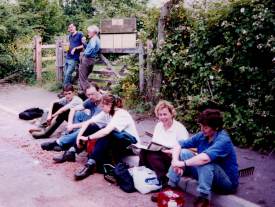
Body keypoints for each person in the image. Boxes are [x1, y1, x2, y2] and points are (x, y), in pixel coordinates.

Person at [164, 109, 239, 206]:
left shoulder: (224, 140)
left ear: (216, 127)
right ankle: (170, 187)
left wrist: (182, 163)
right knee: (183, 153)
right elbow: (178, 145)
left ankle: (204, 198)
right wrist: (175, 161)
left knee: (204, 161)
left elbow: (205, 158)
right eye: (201, 126)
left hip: (226, 183)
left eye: (206, 127)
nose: (202, 129)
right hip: (207, 176)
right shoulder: (203, 135)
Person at [73, 94, 139, 180]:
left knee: (106, 132)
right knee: (93, 127)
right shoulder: (107, 113)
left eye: (103, 105)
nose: (101, 108)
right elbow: (88, 122)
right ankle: (73, 150)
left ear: (109, 105)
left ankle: (90, 164)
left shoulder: (121, 113)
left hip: (131, 146)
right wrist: (79, 137)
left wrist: (88, 138)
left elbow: (106, 131)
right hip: (117, 143)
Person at [139, 100, 189, 186]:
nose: (162, 117)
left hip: (173, 158)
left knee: (152, 156)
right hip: (160, 154)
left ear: (171, 114)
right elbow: (155, 142)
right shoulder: (158, 126)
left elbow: (184, 150)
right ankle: (141, 175)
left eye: (165, 114)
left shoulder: (179, 128)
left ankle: (164, 181)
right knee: (143, 152)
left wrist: (170, 151)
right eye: (160, 115)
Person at [40, 84, 102, 152]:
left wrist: (73, 126)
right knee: (78, 114)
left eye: (92, 94)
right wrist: (69, 124)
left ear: (98, 91)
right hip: (89, 122)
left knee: (88, 126)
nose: (90, 97)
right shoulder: (91, 100)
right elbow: (73, 109)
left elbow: (91, 122)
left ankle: (58, 142)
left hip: (98, 126)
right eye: (88, 95)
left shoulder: (103, 104)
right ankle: (71, 141)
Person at [78, 25, 101, 95]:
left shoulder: (93, 39)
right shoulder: (96, 39)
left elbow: (92, 47)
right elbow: (89, 47)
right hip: (91, 60)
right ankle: (91, 93)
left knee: (82, 79)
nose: (88, 33)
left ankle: (89, 94)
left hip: (87, 59)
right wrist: (84, 43)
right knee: (85, 78)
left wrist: (85, 54)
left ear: (93, 32)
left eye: (89, 32)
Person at [63, 23, 84, 89]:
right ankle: (69, 88)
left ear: (75, 27)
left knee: (68, 73)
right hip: (68, 57)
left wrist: (75, 48)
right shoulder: (70, 36)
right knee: (66, 74)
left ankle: (65, 89)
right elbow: (69, 45)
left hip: (74, 58)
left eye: (72, 27)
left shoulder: (80, 34)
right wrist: (66, 48)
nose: (70, 28)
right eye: (69, 27)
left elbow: (84, 45)